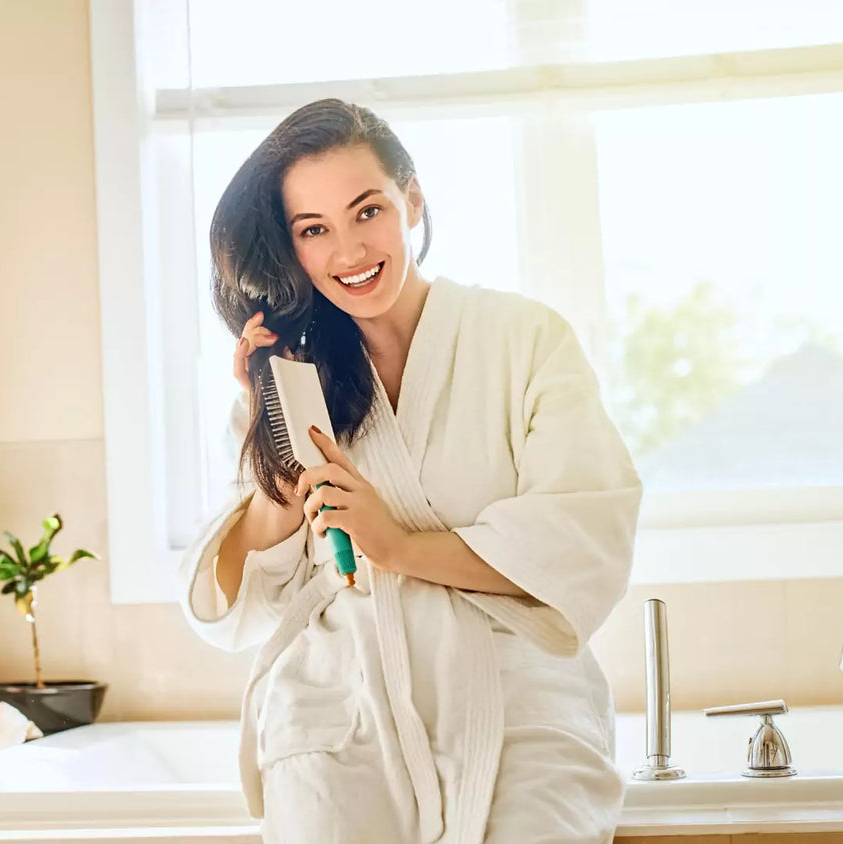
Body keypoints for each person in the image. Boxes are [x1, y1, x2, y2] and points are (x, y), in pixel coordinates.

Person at [176, 98, 641, 844]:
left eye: (368, 212)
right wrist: (279, 452)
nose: (350, 251)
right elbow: (232, 608)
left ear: (412, 200)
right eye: (314, 230)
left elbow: (584, 536)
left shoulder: (523, 339)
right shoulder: (291, 377)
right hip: (341, 707)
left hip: (514, 699)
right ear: (291, 249)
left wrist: (397, 545)